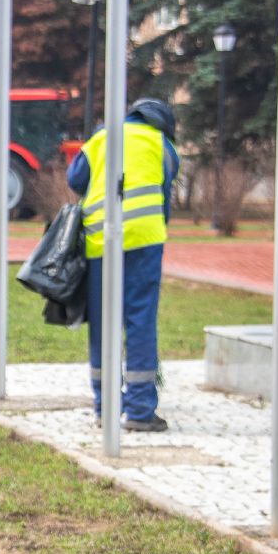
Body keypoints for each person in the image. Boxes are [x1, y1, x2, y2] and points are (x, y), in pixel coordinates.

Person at [66, 97, 181, 432]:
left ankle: (105, 407)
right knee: (140, 319)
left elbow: (75, 180)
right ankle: (141, 409)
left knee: (103, 322)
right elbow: (165, 186)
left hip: (101, 240)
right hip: (145, 242)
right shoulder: (163, 145)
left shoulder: (101, 138)